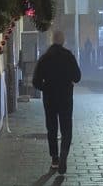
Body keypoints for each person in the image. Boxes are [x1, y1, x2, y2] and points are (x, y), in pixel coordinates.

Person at [33, 30, 82, 175]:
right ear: (63, 40)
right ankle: (64, 154)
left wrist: (45, 88)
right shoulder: (68, 56)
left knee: (52, 128)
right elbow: (77, 77)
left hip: (50, 99)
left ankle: (55, 159)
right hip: (66, 97)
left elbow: (36, 81)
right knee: (66, 127)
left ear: (52, 40)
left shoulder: (45, 58)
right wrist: (69, 82)